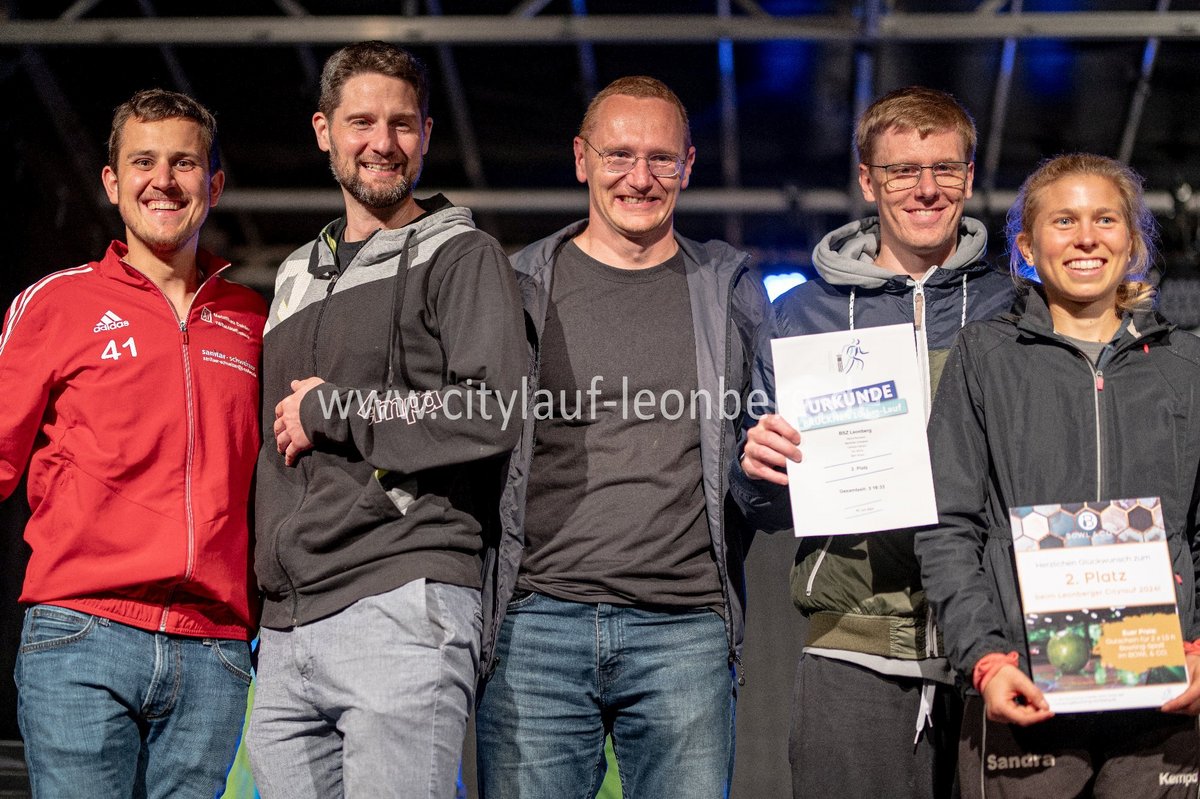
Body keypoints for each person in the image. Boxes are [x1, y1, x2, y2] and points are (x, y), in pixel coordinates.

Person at [474, 76, 772, 797]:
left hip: (684, 629)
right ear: (581, 158)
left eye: (661, 158)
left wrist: (765, 468)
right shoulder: (517, 286)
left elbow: (760, 470)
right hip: (536, 622)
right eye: (619, 156)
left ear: (688, 165)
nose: (640, 178)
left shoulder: (730, 289)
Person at [247, 41, 525, 798]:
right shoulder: (293, 273)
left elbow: (491, 409)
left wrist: (334, 407)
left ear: (426, 134)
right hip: (287, 624)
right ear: (323, 130)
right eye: (362, 122)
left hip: (401, 596)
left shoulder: (462, 255)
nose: (383, 142)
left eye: (403, 123)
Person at [730, 86, 1014, 799]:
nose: (926, 188)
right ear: (867, 179)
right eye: (902, 170)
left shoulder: (1013, 308)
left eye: (944, 168)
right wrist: (757, 470)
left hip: (999, 650)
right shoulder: (801, 315)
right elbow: (762, 507)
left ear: (969, 177)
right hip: (853, 650)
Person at [0, 89, 264, 798]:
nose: (163, 180)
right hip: (83, 633)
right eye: (143, 162)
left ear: (214, 184)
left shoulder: (253, 320)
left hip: (214, 649)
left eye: (184, 163)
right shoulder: (56, 304)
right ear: (112, 183)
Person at [915, 153, 1200, 798]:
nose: (1086, 238)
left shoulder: (1186, 365)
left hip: (1164, 690)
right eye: (1064, 221)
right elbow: (947, 525)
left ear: (1134, 241)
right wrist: (986, 661)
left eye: (1106, 219)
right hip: (1025, 683)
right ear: (1026, 247)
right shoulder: (985, 356)